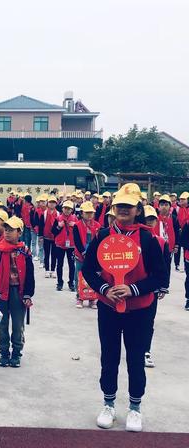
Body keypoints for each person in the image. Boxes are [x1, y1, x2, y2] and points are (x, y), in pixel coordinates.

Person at [82, 183, 167, 432]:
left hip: (140, 309)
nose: (123, 210)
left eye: (129, 206)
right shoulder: (101, 236)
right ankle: (108, 404)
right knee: (109, 357)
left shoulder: (148, 239)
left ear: (137, 209)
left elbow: (160, 277)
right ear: (113, 208)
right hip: (109, 307)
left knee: (135, 359)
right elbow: (88, 270)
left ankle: (135, 408)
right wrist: (105, 289)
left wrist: (133, 289)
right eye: (119, 205)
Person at [0, 216, 35, 368]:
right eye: (6, 230)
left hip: (18, 294)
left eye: (11, 230)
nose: (7, 233)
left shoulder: (25, 251)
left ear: (19, 232)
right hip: (1, 293)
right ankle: (4, 353)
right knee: (2, 324)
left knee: (18, 325)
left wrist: (28, 294)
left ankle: (16, 353)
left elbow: (30, 275)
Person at [143, 205, 170, 368]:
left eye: (152, 219)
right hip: (135, 287)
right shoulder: (134, 239)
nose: (149, 222)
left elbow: (165, 265)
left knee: (149, 321)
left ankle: (146, 351)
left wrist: (163, 286)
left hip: (152, 288)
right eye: (147, 219)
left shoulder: (160, 242)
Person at [73, 201, 101, 308]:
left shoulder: (98, 225)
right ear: (82, 213)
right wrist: (83, 253)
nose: (89, 215)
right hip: (80, 255)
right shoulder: (77, 225)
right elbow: (77, 241)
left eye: (91, 213)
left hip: (93, 257)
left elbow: (98, 241)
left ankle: (92, 299)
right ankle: (79, 297)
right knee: (79, 276)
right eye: (87, 212)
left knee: (93, 276)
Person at [52, 200, 77, 291]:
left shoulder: (75, 219)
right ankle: (60, 283)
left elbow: (79, 232)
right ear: (62, 209)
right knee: (59, 265)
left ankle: (71, 283)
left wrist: (75, 226)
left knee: (72, 265)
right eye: (65, 208)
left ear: (72, 210)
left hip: (71, 245)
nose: (67, 210)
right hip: (60, 245)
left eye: (69, 209)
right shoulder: (58, 218)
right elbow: (53, 231)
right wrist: (59, 227)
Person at [38, 195, 58, 278]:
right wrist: (41, 236)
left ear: (56, 204)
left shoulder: (58, 213)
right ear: (47, 203)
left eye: (53, 203)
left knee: (54, 254)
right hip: (46, 236)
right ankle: (47, 270)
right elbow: (41, 225)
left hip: (55, 237)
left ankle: (53, 270)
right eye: (50, 202)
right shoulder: (44, 213)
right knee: (46, 254)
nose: (52, 204)